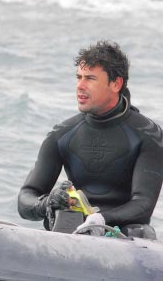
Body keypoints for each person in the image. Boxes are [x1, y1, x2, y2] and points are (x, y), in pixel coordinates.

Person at [17, 40, 163, 239]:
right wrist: (47, 202)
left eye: (90, 78)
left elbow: (143, 205)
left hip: (126, 236)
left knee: (142, 231)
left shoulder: (148, 134)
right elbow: (26, 198)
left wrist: (101, 219)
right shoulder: (62, 134)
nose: (80, 86)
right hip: (77, 233)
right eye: (78, 77)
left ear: (116, 83)